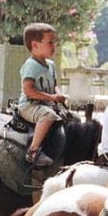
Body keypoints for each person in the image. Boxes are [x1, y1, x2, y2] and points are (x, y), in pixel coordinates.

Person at [18, 23, 66, 168]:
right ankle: (33, 151)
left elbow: (54, 84)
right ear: (35, 45)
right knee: (48, 116)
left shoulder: (50, 64)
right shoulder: (31, 65)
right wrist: (52, 98)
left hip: (46, 104)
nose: (53, 46)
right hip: (29, 105)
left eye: (54, 43)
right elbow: (28, 90)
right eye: (50, 42)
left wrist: (58, 94)